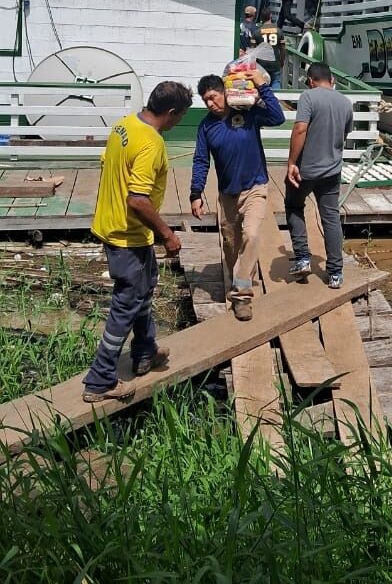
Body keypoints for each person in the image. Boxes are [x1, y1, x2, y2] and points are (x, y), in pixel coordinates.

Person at [81, 81, 193, 403]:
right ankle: (101, 379)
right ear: (171, 113)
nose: (177, 123)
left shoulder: (124, 125)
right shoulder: (151, 142)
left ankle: (145, 350)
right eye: (180, 117)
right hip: (126, 234)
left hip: (115, 226)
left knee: (145, 287)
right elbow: (138, 200)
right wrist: (168, 234)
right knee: (126, 302)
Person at [190, 70, 285, 321]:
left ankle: (242, 296)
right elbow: (201, 160)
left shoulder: (247, 112)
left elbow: (278, 117)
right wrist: (195, 193)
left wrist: (262, 85)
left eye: (213, 96)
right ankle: (235, 277)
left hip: (255, 187)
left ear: (224, 92)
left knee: (251, 235)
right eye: (205, 100)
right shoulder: (206, 126)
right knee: (231, 242)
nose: (211, 103)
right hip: (227, 194)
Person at [285, 62, 353, 289]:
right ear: (332, 80)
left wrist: (292, 162)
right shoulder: (345, 102)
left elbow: (300, 129)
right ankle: (335, 273)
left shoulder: (308, 96)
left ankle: (303, 258)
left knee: (294, 206)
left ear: (311, 80)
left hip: (306, 169)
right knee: (331, 218)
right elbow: (344, 134)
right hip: (332, 171)